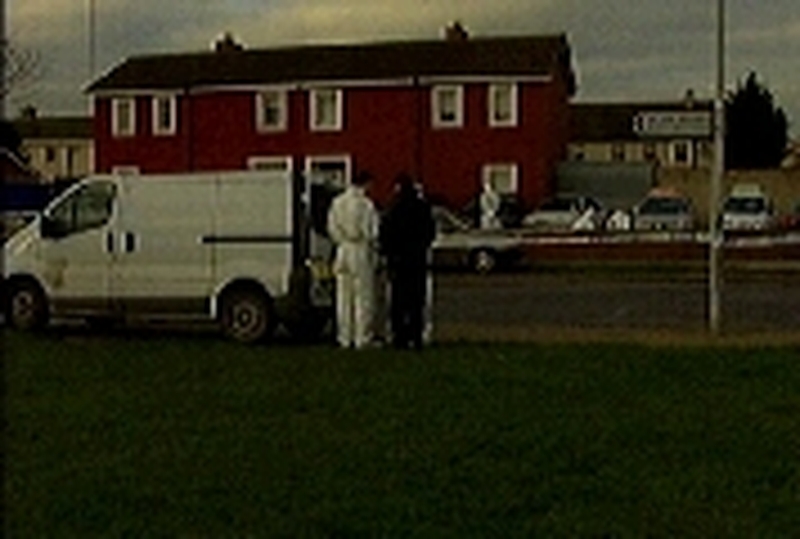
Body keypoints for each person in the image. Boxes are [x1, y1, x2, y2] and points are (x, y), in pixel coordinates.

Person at [379, 173, 436, 350]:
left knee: (398, 300)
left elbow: (385, 234)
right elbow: (430, 232)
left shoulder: (393, 209)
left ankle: (400, 337)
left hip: (398, 261)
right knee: (417, 300)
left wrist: (388, 254)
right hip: (417, 259)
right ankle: (416, 336)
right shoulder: (422, 208)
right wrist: (421, 248)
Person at [327, 171, 380, 349]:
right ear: (365, 184)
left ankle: (344, 336)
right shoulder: (366, 205)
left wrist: (341, 240)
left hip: (343, 250)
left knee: (343, 296)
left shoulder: (337, 202)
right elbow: (372, 232)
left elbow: (332, 228)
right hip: (360, 250)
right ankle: (362, 337)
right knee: (363, 296)